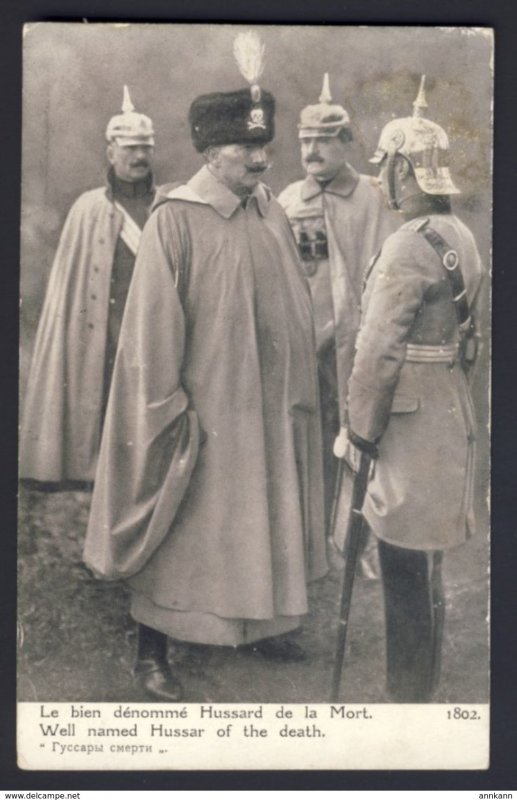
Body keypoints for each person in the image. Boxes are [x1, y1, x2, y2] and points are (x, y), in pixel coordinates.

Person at [83, 31, 327, 701]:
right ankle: (152, 651)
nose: (261, 159)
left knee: (262, 514)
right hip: (202, 413)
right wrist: (167, 410)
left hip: (267, 407)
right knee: (182, 523)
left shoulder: (266, 207)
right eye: (248, 149)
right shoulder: (176, 221)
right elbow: (152, 334)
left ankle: (263, 625)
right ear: (212, 152)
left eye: (263, 146)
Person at [335, 76, 485, 702]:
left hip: (405, 423)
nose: (381, 181)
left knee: (402, 564)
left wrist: (359, 434)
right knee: (430, 565)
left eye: (388, 168)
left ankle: (406, 703)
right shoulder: (461, 236)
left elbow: (375, 356)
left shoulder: (403, 246)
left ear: (406, 172)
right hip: (452, 414)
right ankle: (420, 689)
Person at [278, 74, 398, 572]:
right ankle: (306, 550)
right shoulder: (286, 201)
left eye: (322, 140)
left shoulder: (374, 196)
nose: (311, 150)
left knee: (364, 439)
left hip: (362, 345)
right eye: (305, 140)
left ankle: (358, 541)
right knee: (307, 443)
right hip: (308, 346)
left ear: (344, 142)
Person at [20, 86, 157, 488]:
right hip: (99, 336)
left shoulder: (168, 207)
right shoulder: (88, 208)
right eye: (129, 147)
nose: (138, 156)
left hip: (148, 335)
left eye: (145, 147)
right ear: (111, 151)